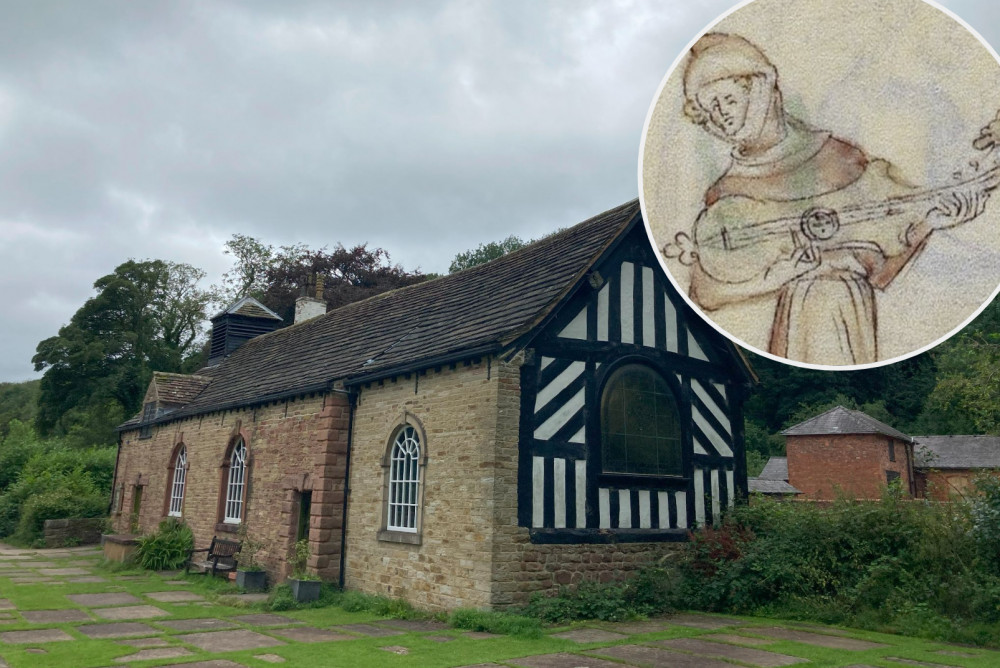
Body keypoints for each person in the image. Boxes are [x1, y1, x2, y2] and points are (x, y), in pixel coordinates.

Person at [671, 32, 989, 365]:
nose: (721, 115)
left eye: (728, 99)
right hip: (801, 318)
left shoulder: (840, 158)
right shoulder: (728, 192)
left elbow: (887, 234)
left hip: (849, 309)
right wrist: (779, 275)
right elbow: (706, 292)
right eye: (711, 108)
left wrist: (933, 219)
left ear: (761, 90)